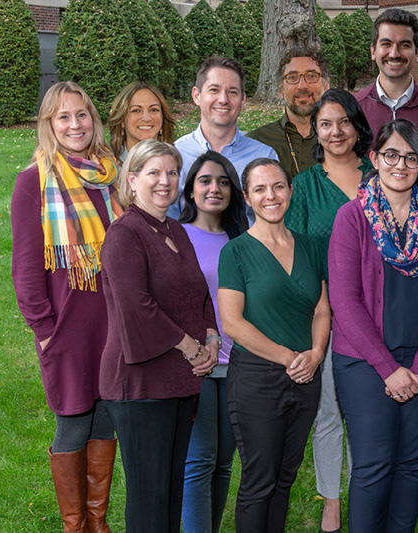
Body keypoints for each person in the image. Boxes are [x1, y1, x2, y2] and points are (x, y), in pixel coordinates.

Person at [328, 119, 418, 532]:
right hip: (366, 362)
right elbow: (345, 302)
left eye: (410, 157)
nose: (399, 164)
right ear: (374, 158)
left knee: (413, 462)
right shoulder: (351, 218)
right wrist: (389, 369)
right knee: (372, 464)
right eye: (391, 155)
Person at [12, 81, 122, 533]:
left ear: (92, 120)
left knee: (106, 422)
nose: (74, 124)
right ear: (49, 125)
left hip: (115, 322)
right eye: (63, 117)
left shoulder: (110, 172)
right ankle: (74, 526)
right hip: (69, 327)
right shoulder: (33, 181)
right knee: (74, 423)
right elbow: (24, 267)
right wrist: (45, 329)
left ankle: (97, 522)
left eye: (81, 115)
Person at [99, 139, 218, 532]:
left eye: (171, 172)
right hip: (140, 384)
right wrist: (190, 347)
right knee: (150, 499)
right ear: (132, 180)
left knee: (170, 494)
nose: (164, 181)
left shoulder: (176, 230)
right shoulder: (124, 234)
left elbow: (198, 292)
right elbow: (137, 304)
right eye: (154, 172)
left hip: (179, 382)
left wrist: (211, 338)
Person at [218, 158, 331, 532]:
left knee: (285, 477)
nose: (271, 196)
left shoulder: (312, 248)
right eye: (260, 189)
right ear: (247, 198)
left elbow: (321, 310)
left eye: (278, 186)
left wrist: (315, 355)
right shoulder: (235, 252)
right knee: (259, 481)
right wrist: (289, 358)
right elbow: (233, 322)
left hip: (305, 377)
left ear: (290, 190)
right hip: (257, 380)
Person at [285, 87, 374, 533]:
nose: (335, 132)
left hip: (375, 318)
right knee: (326, 414)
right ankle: (331, 501)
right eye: (325, 124)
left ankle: (363, 490)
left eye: (343, 121)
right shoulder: (303, 187)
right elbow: (299, 257)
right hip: (323, 316)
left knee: (364, 411)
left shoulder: (382, 177)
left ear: (357, 125)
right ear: (315, 132)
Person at [179, 151, 249, 532]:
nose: (214, 188)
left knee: (224, 461)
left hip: (239, 363)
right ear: (190, 190)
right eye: (205, 180)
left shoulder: (243, 238)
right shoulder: (177, 236)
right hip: (198, 364)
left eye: (223, 181)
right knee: (200, 460)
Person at [355, 8, 418, 186]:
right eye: (386, 44)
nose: (394, 53)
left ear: (417, 52)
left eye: (404, 45)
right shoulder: (354, 109)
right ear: (373, 51)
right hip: (368, 212)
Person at [170, 55, 278, 219]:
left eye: (232, 92)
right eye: (214, 90)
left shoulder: (264, 156)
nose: (223, 99)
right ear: (197, 95)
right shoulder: (175, 156)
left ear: (242, 100)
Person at [247, 46, 330, 179]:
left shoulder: (342, 140)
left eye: (311, 76)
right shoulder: (256, 143)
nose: (302, 86)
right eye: (292, 77)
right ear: (280, 89)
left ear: (326, 86)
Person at [108, 81, 175, 162]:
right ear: (122, 119)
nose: (146, 118)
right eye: (136, 110)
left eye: (153, 110)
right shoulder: (108, 169)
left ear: (163, 117)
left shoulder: (179, 163)